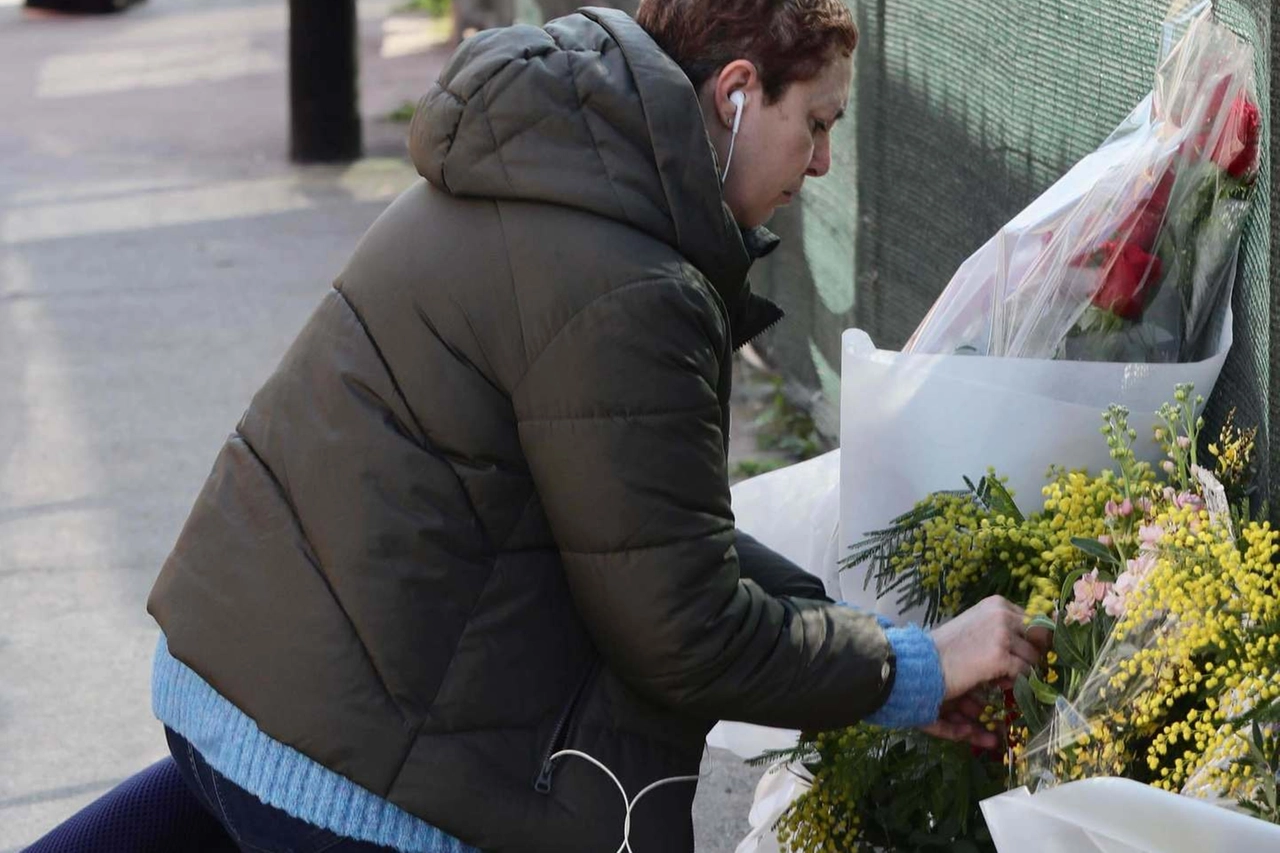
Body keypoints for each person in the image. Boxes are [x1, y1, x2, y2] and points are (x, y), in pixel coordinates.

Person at [147, 2, 1042, 851]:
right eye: (814, 123)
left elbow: (648, 544)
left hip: (224, 677)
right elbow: (685, 635)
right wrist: (913, 667)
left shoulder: (541, 162)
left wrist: (872, 653)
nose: (822, 166)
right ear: (735, 95)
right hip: (334, 769)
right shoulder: (630, 286)